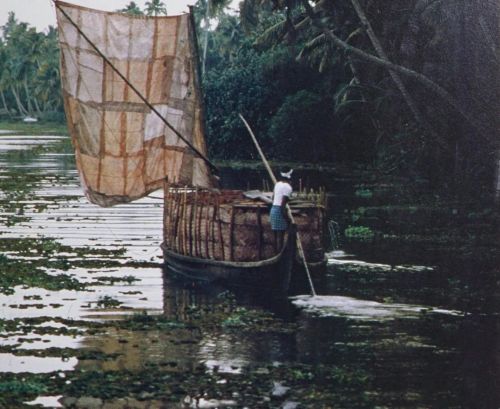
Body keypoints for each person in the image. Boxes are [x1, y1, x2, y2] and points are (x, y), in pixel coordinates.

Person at [270, 168, 293, 251]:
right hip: (280, 210)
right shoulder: (288, 187)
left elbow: (273, 198)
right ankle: (280, 252)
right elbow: (283, 204)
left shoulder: (277, 184)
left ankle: (276, 252)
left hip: (273, 209)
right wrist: (287, 219)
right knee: (281, 236)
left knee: (276, 236)